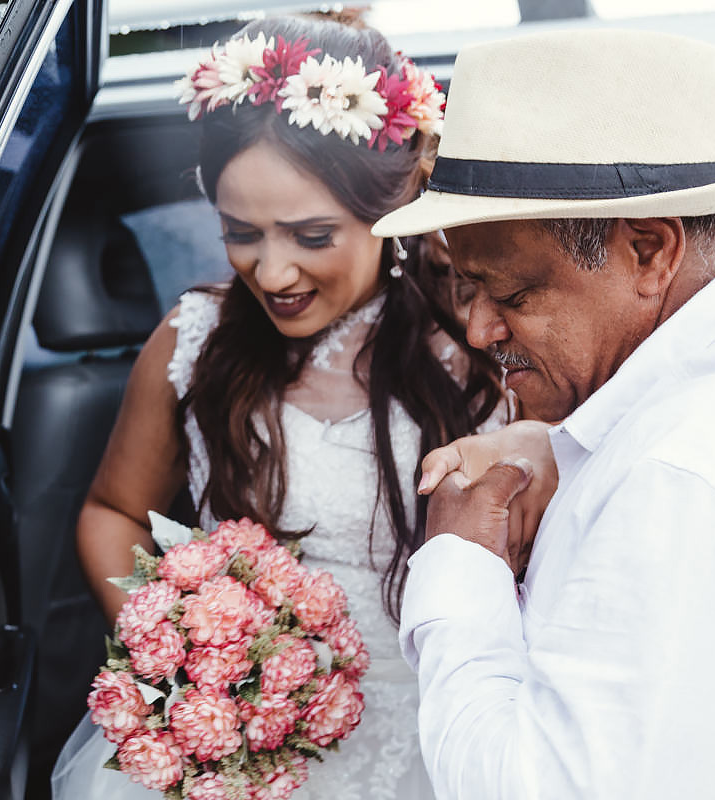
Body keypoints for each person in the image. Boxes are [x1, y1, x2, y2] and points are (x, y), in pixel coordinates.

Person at [373, 28, 715, 798]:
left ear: (648, 252)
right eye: (468, 289)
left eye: (512, 294)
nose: (478, 330)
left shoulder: (688, 481)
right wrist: (570, 451)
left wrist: (459, 567)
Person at [50, 15, 512, 799]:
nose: (271, 272)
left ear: (393, 206)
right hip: (243, 753)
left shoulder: (482, 351)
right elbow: (111, 511)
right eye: (241, 232)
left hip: (433, 742)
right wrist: (180, 650)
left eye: (311, 235)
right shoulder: (194, 340)